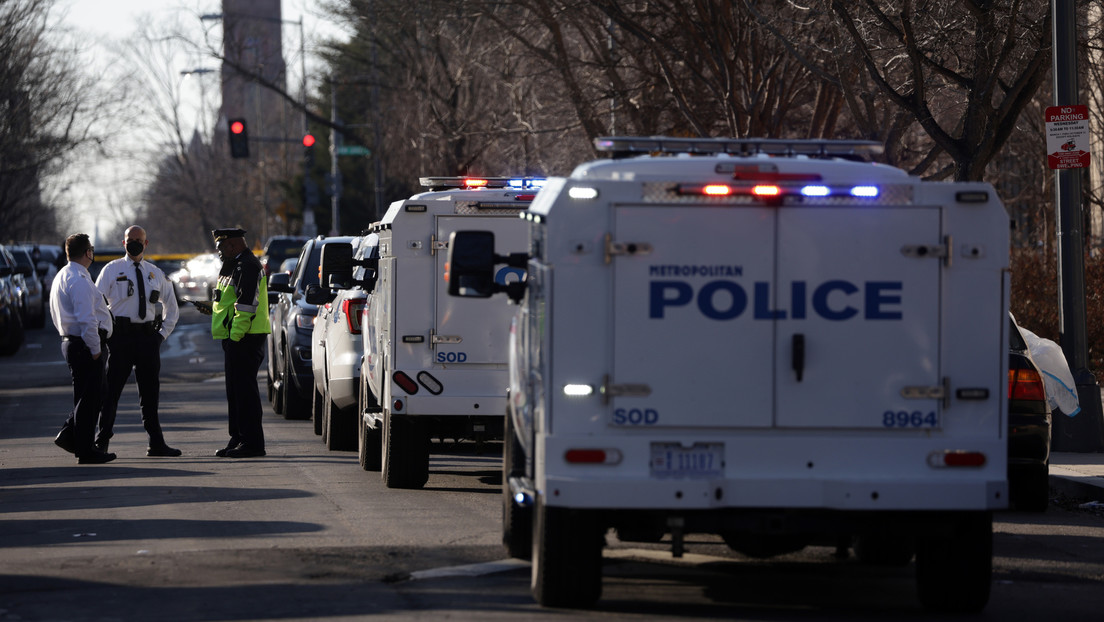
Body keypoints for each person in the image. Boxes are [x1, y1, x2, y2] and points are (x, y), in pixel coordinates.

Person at [94, 225, 182, 457]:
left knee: (150, 393)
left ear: (146, 243)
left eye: (138, 240)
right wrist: (106, 333)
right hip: (120, 339)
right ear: (123, 243)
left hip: (147, 339)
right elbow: (96, 303)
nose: (134, 243)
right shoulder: (111, 270)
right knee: (111, 392)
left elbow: (171, 306)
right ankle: (101, 441)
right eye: (130, 240)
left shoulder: (155, 273)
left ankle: (156, 442)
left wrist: (161, 336)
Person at [50, 234, 116, 464]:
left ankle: (71, 435)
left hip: (74, 342)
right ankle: (85, 449)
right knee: (91, 398)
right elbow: (86, 319)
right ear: (88, 252)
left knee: (89, 395)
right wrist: (95, 349)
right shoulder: (77, 279)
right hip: (85, 344)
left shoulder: (64, 275)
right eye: (92, 249)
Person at [210, 228, 271, 458]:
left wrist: (235, 336)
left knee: (245, 393)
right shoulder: (234, 265)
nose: (219, 252)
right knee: (235, 392)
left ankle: (253, 443)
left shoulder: (247, 265)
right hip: (235, 336)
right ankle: (238, 437)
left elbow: (246, 305)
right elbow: (229, 300)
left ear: (233, 245)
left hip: (245, 337)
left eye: (221, 247)